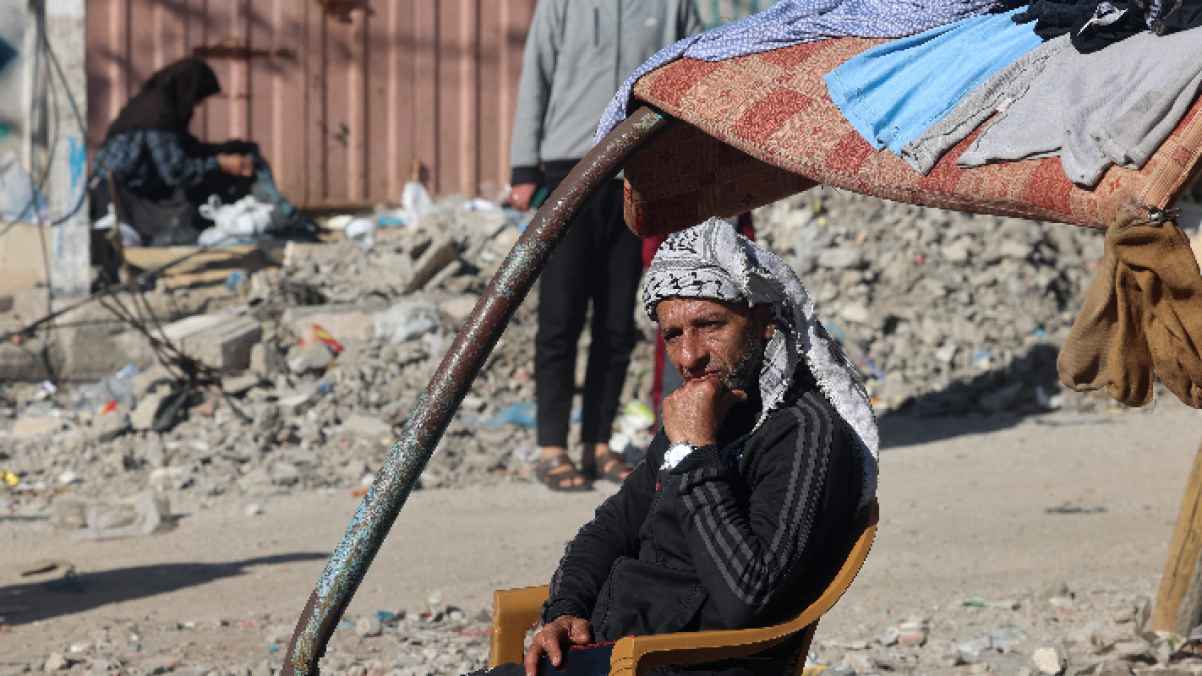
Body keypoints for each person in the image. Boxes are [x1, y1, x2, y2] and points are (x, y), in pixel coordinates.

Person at [472, 219, 880, 676]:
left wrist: (694, 455)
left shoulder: (803, 432)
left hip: (680, 663)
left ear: (763, 319)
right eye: (673, 334)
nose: (689, 356)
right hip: (612, 646)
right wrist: (565, 609)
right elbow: (610, 528)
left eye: (709, 325)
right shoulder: (710, 408)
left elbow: (748, 597)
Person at [507, 1, 705, 492]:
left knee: (617, 324)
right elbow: (538, 75)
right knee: (561, 317)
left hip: (634, 174)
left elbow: (695, 68)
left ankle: (598, 444)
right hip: (568, 169)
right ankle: (551, 445)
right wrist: (523, 167)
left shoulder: (674, 5)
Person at [89, 57, 305, 247]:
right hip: (122, 199)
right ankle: (284, 216)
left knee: (243, 152)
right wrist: (221, 163)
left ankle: (282, 214)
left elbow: (184, 149)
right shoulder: (157, 114)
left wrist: (224, 152)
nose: (196, 105)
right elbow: (176, 171)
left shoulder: (156, 108)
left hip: (135, 193)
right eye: (196, 98)